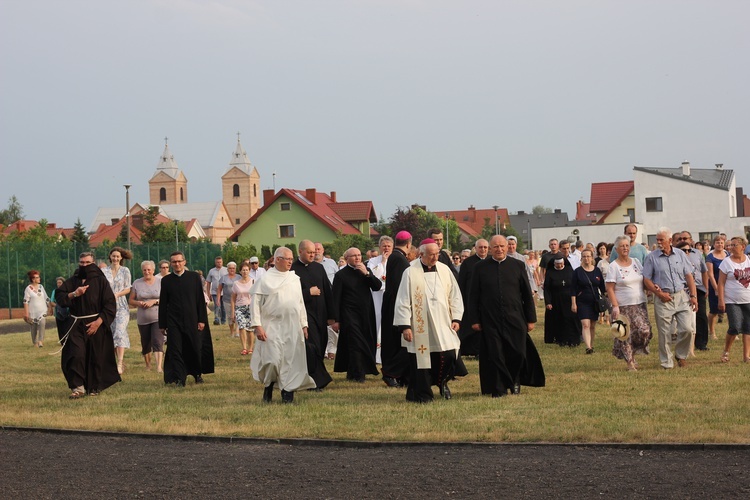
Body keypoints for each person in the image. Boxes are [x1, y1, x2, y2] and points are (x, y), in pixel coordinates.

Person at [468, 235, 545, 397]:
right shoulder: (480, 267)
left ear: (507, 247)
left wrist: (531, 319)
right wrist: (474, 320)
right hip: (490, 318)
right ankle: (499, 388)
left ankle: (515, 381)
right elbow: (473, 295)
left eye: (502, 246)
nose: (500, 249)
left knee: (517, 352)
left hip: (514, 317)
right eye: (495, 247)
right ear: (490, 249)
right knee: (495, 354)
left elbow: (526, 293)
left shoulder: (517, 265)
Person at [394, 239, 463, 402]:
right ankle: (423, 394)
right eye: (431, 254)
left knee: (449, 354)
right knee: (422, 361)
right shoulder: (410, 272)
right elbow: (403, 299)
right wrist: (405, 326)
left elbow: (455, 295)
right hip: (420, 324)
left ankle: (442, 382)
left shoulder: (445, 270)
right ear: (421, 254)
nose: (435, 257)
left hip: (443, 321)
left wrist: (456, 318)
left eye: (437, 254)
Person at [250, 247, 316, 403]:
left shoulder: (294, 279)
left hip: (292, 326)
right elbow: (255, 305)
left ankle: (288, 392)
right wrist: (257, 326)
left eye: (291, 259)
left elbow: (300, 303)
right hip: (271, 326)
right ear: (277, 260)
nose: (290, 262)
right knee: (272, 360)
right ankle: (269, 385)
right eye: (287, 259)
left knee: (290, 359)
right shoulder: (265, 280)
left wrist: (304, 324)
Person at [55, 252, 120, 398]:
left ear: (94, 263)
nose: (84, 265)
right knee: (76, 354)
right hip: (76, 324)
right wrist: (74, 294)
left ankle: (94, 387)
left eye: (88, 263)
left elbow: (110, 304)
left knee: (95, 356)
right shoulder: (72, 281)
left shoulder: (101, 282)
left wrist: (98, 322)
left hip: (95, 323)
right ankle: (78, 387)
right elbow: (60, 297)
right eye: (82, 263)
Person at [642, 228, 699, 369]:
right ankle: (666, 362)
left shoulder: (680, 254)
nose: (658, 242)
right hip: (663, 299)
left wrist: (693, 296)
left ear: (670, 241)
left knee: (687, 329)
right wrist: (659, 294)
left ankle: (680, 355)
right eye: (657, 239)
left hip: (681, 296)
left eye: (661, 239)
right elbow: (646, 279)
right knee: (665, 333)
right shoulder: (652, 257)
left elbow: (689, 276)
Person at [159, 251, 215, 386]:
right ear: (171, 264)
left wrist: (201, 320)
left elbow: (200, 300)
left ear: (184, 262)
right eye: (174, 262)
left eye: (179, 261)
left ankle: (197, 374)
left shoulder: (194, 277)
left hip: (192, 319)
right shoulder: (166, 280)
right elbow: (163, 303)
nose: (177, 264)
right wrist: (162, 324)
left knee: (194, 347)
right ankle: (179, 378)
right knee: (176, 349)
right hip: (174, 321)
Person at [332, 247, 382, 382]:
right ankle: (359, 374)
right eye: (354, 256)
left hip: (366, 313)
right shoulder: (340, 275)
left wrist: (367, 274)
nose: (357, 258)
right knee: (355, 342)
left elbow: (377, 286)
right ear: (347, 258)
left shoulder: (365, 271)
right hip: (349, 314)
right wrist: (336, 319)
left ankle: (354, 371)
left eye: (359, 255)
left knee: (364, 341)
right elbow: (335, 298)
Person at [291, 240, 335, 390]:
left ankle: (314, 378)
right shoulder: (292, 270)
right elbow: (289, 295)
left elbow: (328, 291)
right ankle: (316, 381)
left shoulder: (319, 268)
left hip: (321, 314)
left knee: (321, 344)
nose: (312, 255)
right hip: (305, 314)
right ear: (300, 251)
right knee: (312, 346)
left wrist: (332, 315)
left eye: (314, 252)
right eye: (309, 252)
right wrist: (308, 293)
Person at [605, 236, 653, 371]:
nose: (625, 248)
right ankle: (630, 362)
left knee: (644, 331)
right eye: (622, 246)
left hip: (639, 304)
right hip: (622, 306)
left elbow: (644, 279)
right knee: (624, 334)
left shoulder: (636, 262)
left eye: (627, 246)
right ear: (616, 249)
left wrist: (649, 288)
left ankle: (635, 352)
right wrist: (615, 306)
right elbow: (609, 288)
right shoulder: (613, 266)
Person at [380, 231, 412, 388]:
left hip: (391, 303)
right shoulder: (400, 259)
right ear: (408, 244)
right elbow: (403, 286)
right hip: (397, 306)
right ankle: (391, 373)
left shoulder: (395, 257)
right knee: (398, 344)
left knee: (395, 343)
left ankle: (400, 375)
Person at [717, 236, 750, 363]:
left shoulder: (748, 260)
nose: (731, 247)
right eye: (730, 245)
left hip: (748, 299)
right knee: (735, 327)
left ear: (743, 247)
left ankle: (746, 356)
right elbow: (721, 283)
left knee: (748, 327)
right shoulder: (726, 262)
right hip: (732, 300)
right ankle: (726, 351)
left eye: (734, 245)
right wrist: (721, 300)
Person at [676, 232, 709, 352]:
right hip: (682, 289)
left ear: (691, 240)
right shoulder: (675, 254)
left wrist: (706, 287)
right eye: (680, 238)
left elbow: (704, 271)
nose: (683, 240)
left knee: (701, 316)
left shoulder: (697, 254)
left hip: (698, 288)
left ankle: (701, 343)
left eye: (685, 238)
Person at [129, 260, 165, 373]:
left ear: (153, 270)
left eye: (149, 269)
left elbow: (166, 299)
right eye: (144, 270)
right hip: (143, 318)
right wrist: (139, 303)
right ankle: (148, 365)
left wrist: (154, 301)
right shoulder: (137, 283)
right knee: (146, 343)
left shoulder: (161, 282)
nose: (147, 272)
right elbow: (130, 300)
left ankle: (159, 366)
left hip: (158, 317)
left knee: (158, 341)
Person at [102, 246, 132, 375]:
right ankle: (115, 362)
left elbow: (128, 288)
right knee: (113, 333)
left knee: (119, 331)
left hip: (121, 306)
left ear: (121, 258)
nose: (115, 258)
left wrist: (117, 295)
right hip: (107, 306)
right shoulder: (104, 271)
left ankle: (119, 362)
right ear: (110, 257)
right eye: (113, 256)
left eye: (117, 256)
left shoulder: (125, 271)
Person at [457, 238, 489, 356]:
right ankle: (469, 350)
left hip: (486, 300)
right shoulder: (468, 262)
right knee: (471, 326)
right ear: (475, 249)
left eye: (485, 247)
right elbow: (462, 282)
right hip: (470, 298)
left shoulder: (491, 261)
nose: (483, 250)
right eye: (480, 247)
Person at [571, 249, 606, 354]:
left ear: (592, 258)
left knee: (592, 325)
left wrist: (605, 301)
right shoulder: (577, 271)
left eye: (588, 256)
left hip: (594, 301)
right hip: (582, 301)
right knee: (585, 324)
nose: (586, 258)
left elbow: (602, 287)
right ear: (581, 258)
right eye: (584, 256)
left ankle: (591, 344)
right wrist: (573, 303)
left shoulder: (597, 271)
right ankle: (588, 348)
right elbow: (573, 289)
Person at [366, 235, 393, 364]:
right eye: (384, 246)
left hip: (390, 294)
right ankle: (377, 355)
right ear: (379, 247)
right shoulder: (373, 261)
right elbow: (374, 276)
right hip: (377, 295)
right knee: (377, 321)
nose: (386, 248)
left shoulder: (396, 259)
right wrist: (382, 262)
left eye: (388, 246)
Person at [543, 256, 581, 346]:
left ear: (564, 263)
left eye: (561, 264)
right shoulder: (550, 272)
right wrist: (548, 302)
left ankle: (573, 338)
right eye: (557, 264)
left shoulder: (569, 270)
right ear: (554, 264)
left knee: (570, 319)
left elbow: (575, 285)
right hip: (555, 300)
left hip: (569, 299)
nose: (559, 266)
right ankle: (560, 339)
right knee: (558, 319)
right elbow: (547, 289)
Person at [706, 235, 728, 340]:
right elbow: (710, 275)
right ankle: (712, 332)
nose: (720, 244)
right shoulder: (710, 257)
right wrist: (717, 289)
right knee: (714, 311)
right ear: (714, 244)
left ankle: (733, 331)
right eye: (718, 242)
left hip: (728, 286)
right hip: (715, 286)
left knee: (730, 310)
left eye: (722, 243)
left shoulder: (727, 255)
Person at [231, 261, 255, 355]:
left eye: (246, 270)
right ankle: (244, 348)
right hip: (239, 307)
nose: (245, 272)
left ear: (249, 271)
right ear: (240, 271)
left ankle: (250, 348)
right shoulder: (236, 283)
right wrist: (233, 312)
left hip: (250, 307)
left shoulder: (253, 282)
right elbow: (233, 298)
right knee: (241, 327)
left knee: (250, 329)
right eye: (243, 270)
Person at [23, 270, 51, 348]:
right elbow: (25, 301)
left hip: (42, 310)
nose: (39, 278)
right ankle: (35, 342)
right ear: (33, 279)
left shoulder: (41, 287)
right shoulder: (28, 289)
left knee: (42, 324)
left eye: (39, 277)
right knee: (34, 327)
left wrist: (50, 307)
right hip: (32, 312)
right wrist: (26, 313)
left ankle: (40, 341)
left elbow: (46, 297)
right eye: (37, 277)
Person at [217, 262, 240, 339]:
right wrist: (218, 299)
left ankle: (237, 331)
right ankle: (232, 332)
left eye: (233, 268)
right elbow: (219, 289)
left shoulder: (239, 277)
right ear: (227, 269)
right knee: (230, 316)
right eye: (230, 268)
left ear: (235, 269)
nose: (232, 270)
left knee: (237, 315)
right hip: (226, 300)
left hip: (238, 300)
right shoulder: (223, 278)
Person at [205, 256, 227, 326]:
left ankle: (223, 320)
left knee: (223, 307)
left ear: (222, 262)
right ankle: (216, 319)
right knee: (217, 305)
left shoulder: (226, 270)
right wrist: (208, 292)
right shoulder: (211, 271)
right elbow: (208, 282)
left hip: (224, 292)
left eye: (220, 262)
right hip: (214, 292)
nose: (219, 263)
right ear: (215, 263)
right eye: (217, 262)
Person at [50, 276, 71, 342]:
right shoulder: (55, 291)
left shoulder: (67, 290)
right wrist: (58, 305)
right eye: (57, 283)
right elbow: (52, 301)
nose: (58, 284)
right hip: (58, 312)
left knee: (67, 326)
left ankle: (67, 339)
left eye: (60, 282)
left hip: (67, 311)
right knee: (60, 327)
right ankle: (62, 340)